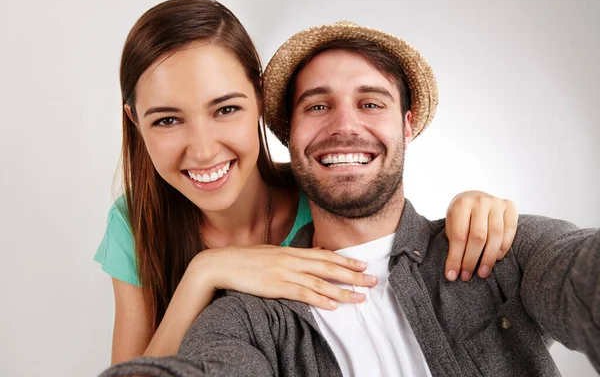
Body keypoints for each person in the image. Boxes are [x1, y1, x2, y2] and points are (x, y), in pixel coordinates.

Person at [100, 20, 600, 376]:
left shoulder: (489, 251)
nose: (343, 128)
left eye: (370, 103)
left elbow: (575, 274)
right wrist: (206, 272)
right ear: (290, 133)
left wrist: (484, 208)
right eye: (317, 105)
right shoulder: (243, 315)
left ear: (408, 124)